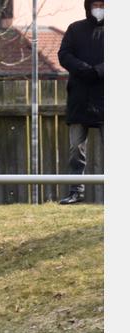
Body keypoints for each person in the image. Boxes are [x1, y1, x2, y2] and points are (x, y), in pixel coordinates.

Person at [57, 0, 104, 205]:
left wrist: (99, 71)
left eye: (103, 4)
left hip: (107, 98)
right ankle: (75, 191)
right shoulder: (75, 29)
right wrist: (83, 69)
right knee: (76, 149)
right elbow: (64, 54)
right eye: (95, 4)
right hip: (79, 98)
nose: (99, 8)